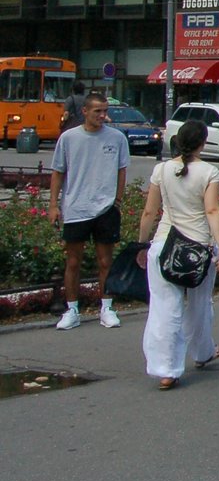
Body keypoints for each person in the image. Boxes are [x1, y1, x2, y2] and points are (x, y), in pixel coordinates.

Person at [136, 119, 219, 389]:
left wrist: (142, 244)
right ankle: (202, 352)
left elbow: (149, 212)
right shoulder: (208, 171)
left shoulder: (161, 169)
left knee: (164, 307)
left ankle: (166, 369)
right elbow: (212, 211)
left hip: (163, 245)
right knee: (199, 305)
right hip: (197, 248)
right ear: (203, 142)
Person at [48, 91, 129, 330]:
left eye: (105, 111)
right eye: (98, 111)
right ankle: (72, 310)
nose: (102, 116)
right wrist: (53, 204)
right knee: (73, 261)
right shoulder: (69, 138)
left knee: (105, 261)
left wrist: (117, 201)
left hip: (106, 208)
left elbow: (121, 170)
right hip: (76, 207)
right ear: (85, 111)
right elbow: (57, 172)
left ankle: (107, 307)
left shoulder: (116, 138)